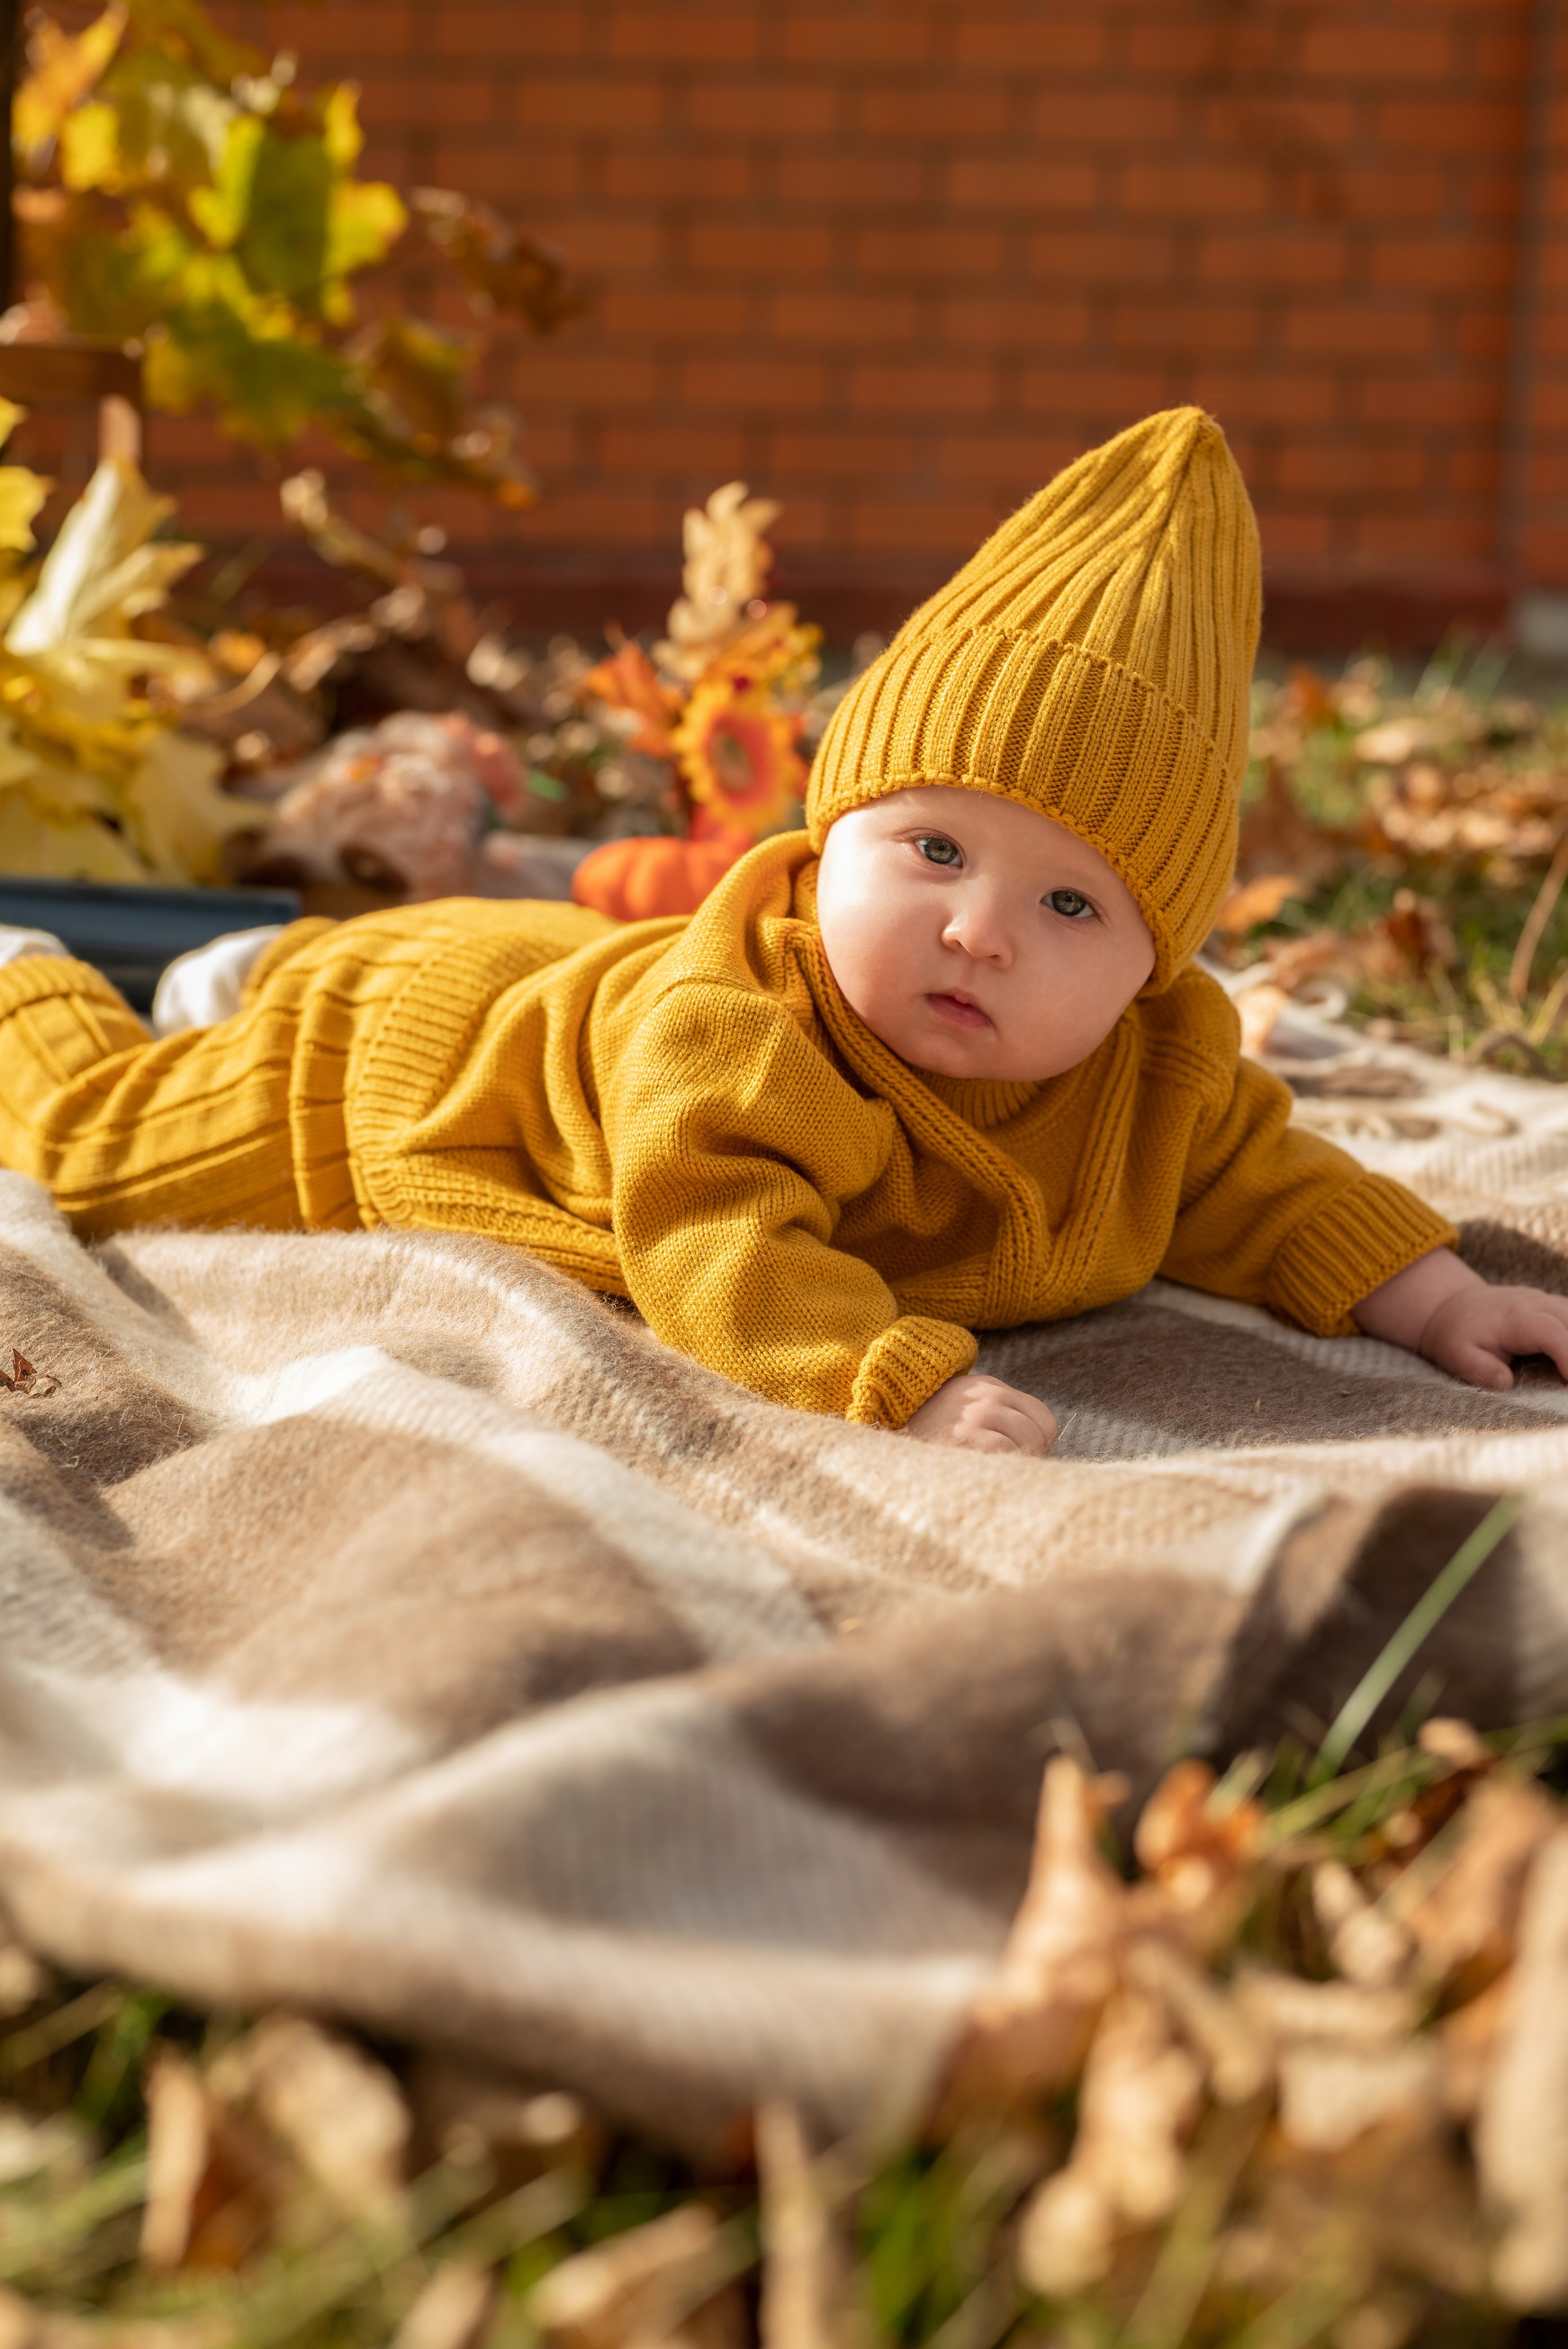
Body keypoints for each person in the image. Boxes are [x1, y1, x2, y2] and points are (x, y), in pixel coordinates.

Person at [0, 407, 1565, 1458]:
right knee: (89, 1145)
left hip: (544, 971)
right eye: (932, 847)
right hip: (403, 1069)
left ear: (1154, 964)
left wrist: (1431, 1295)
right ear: (825, 845)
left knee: (388, 967)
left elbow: (1268, 1179)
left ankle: (243, 966)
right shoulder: (745, 1034)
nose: (976, 930)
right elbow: (711, 1239)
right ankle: (50, 980)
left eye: (1069, 902)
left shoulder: (1154, 1078)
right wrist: (891, 1374)